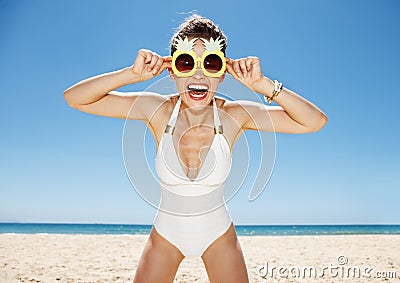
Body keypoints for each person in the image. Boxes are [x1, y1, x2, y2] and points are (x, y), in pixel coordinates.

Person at [64, 15, 327, 283]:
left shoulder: (234, 115)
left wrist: (264, 86)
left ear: (223, 73)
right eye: (186, 62)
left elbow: (314, 122)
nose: (198, 74)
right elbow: (75, 99)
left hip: (218, 237)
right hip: (166, 236)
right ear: (172, 70)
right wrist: (130, 74)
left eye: (211, 63)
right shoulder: (157, 110)